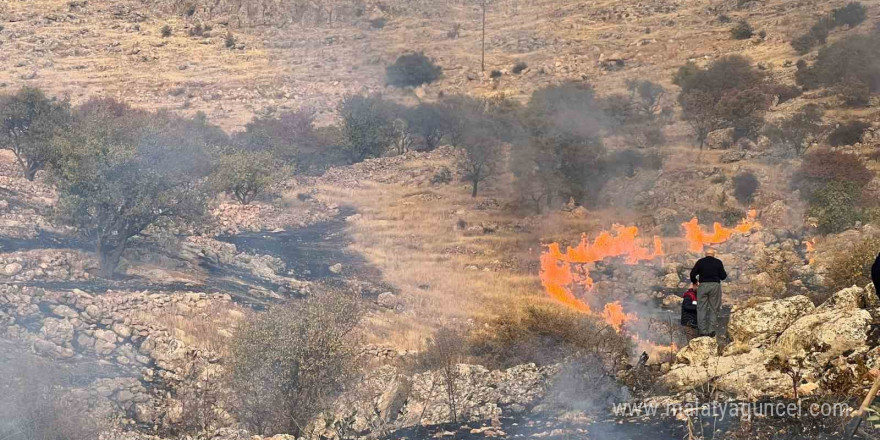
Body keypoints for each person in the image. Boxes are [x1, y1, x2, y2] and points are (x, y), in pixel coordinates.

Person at [689, 247, 727, 337]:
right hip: (715, 286)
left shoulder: (700, 262)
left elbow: (692, 274)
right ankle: (711, 330)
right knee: (714, 308)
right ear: (713, 254)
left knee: (701, 308)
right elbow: (723, 276)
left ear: (705, 254)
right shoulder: (718, 262)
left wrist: (695, 282)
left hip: (703, 286)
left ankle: (702, 331)